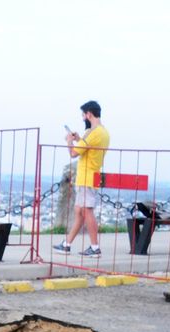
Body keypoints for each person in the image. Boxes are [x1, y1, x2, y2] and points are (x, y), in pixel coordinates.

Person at [55, 100, 109, 258]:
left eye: (83, 115)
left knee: (86, 211)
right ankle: (67, 244)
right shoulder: (103, 132)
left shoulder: (93, 132)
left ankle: (95, 247)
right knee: (79, 211)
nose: (82, 118)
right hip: (89, 176)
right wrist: (79, 139)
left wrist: (69, 142)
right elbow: (88, 148)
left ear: (89, 114)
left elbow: (73, 154)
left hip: (87, 177)